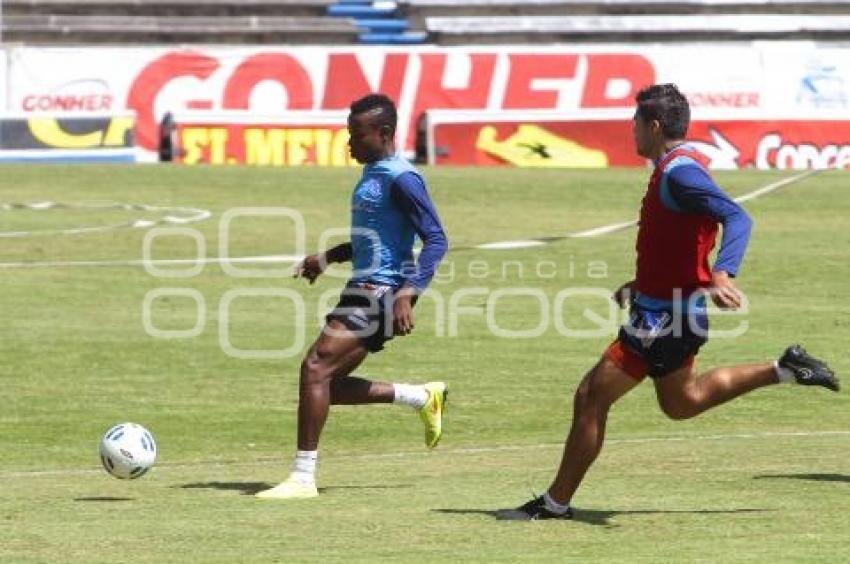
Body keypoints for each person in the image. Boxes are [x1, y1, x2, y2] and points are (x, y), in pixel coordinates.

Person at [508, 83, 839, 520]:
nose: (632, 132)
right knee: (681, 403)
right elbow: (681, 239)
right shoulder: (676, 169)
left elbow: (737, 216)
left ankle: (555, 504)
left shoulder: (681, 173)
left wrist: (724, 271)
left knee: (591, 396)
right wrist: (641, 282)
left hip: (665, 318)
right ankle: (784, 368)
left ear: (655, 125)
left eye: (635, 124)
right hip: (668, 310)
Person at [256, 94, 449, 500]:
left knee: (315, 368)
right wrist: (326, 257)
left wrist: (409, 292)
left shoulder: (402, 178)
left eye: (356, 135)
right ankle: (420, 396)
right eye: (349, 134)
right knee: (326, 384)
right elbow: (372, 239)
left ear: (383, 133)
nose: (350, 143)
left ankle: (303, 478)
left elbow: (436, 239)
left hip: (381, 292)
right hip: (362, 287)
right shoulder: (372, 172)